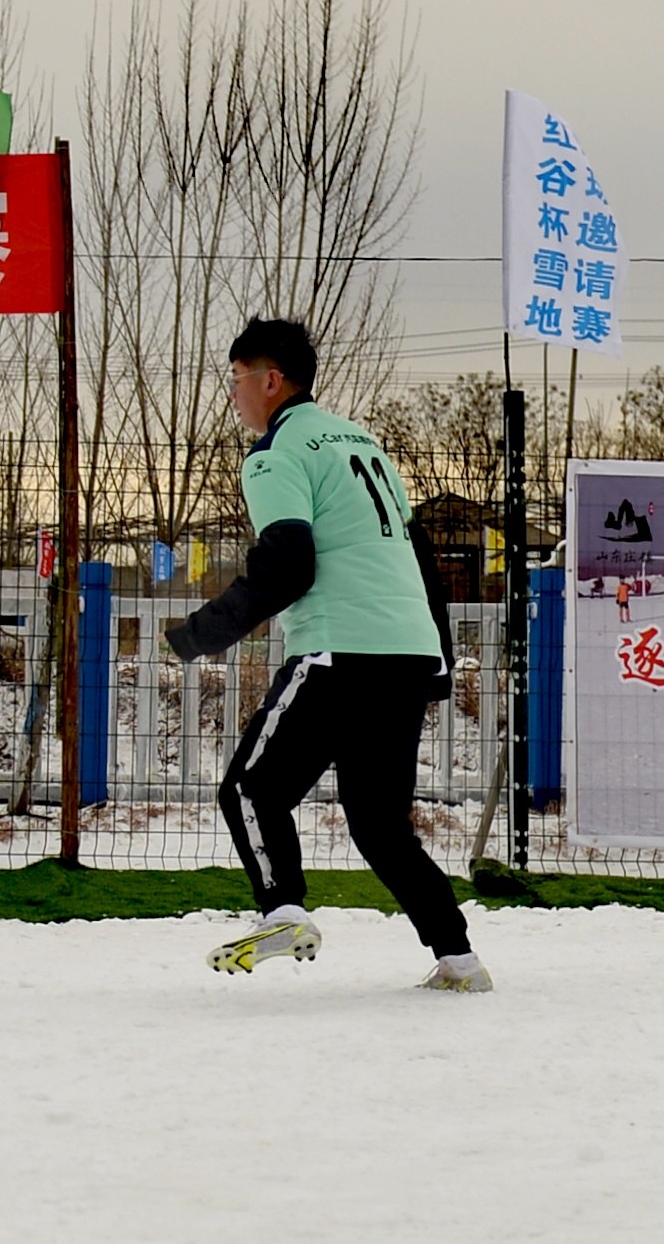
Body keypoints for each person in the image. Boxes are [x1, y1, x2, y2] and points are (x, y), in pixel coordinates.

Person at [164, 316, 486, 991]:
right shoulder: (359, 439)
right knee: (377, 824)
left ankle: (281, 908)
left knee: (250, 789)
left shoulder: (276, 452)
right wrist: (436, 657)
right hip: (404, 651)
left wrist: (199, 635)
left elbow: (285, 564)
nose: (232, 394)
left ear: (271, 380)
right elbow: (417, 557)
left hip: (339, 650)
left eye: (236, 378)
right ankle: (458, 958)